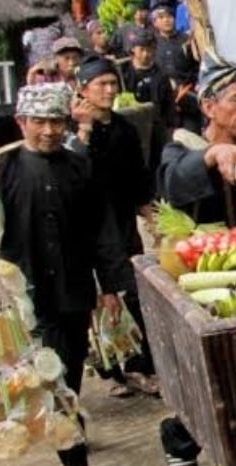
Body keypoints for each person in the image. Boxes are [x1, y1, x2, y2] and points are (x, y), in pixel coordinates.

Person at [0, 82, 129, 466]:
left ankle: (72, 443)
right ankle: (74, 458)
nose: (49, 130)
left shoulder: (79, 167)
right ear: (22, 123)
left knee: (67, 370)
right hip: (26, 295)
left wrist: (110, 285)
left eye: (56, 121)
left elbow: (104, 229)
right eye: (39, 122)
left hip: (73, 290)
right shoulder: (3, 171)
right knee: (48, 378)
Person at [156, 52, 236, 466]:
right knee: (213, 375)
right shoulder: (178, 150)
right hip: (196, 278)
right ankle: (187, 440)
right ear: (208, 107)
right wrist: (211, 157)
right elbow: (173, 184)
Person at [70, 55, 160, 398]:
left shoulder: (124, 129)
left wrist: (151, 216)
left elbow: (138, 177)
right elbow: (74, 176)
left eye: (113, 83)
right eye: (101, 84)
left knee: (132, 292)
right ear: (83, 90)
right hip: (86, 229)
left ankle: (139, 366)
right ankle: (109, 369)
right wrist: (84, 129)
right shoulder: (68, 131)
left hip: (120, 224)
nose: (109, 90)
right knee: (99, 300)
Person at [119, 27, 176, 170]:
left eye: (150, 49)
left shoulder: (161, 75)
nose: (146, 54)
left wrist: (170, 128)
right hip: (131, 127)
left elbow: (169, 105)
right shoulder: (123, 74)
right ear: (133, 50)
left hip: (155, 126)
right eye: (142, 49)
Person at [151, 1, 201, 134]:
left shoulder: (187, 40)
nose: (166, 20)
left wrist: (190, 86)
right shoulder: (152, 44)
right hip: (164, 102)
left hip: (188, 97)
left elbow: (197, 66)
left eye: (169, 16)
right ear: (155, 22)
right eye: (161, 17)